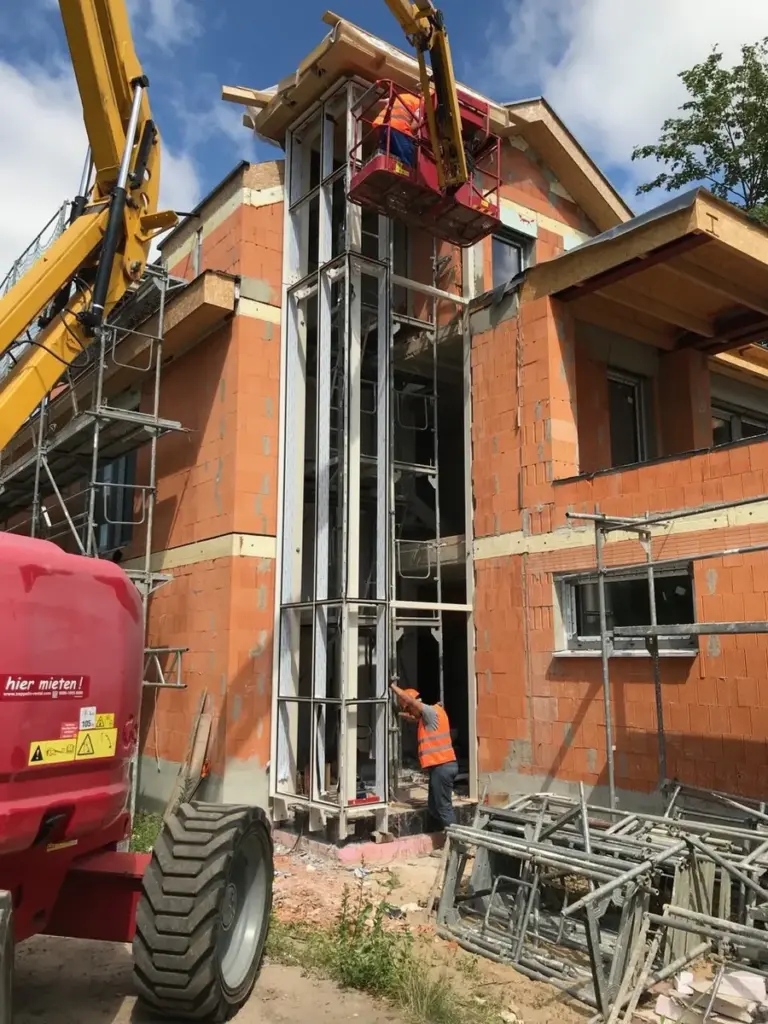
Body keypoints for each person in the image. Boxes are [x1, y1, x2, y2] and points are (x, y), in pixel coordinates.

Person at [390, 681, 457, 830]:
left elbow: (409, 700)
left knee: (444, 807)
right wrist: (398, 712)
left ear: (413, 705)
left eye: (409, 709)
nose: (410, 713)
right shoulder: (428, 717)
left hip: (443, 767)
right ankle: (442, 837)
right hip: (440, 767)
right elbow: (411, 717)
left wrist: (391, 686)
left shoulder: (430, 713)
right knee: (434, 807)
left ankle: (460, 844)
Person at [373, 91, 421, 170]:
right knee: (407, 153)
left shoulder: (401, 96)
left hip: (381, 126)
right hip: (397, 127)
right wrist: (412, 135)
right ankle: (407, 171)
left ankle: (389, 169)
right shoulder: (419, 102)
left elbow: (384, 101)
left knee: (387, 154)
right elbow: (415, 124)